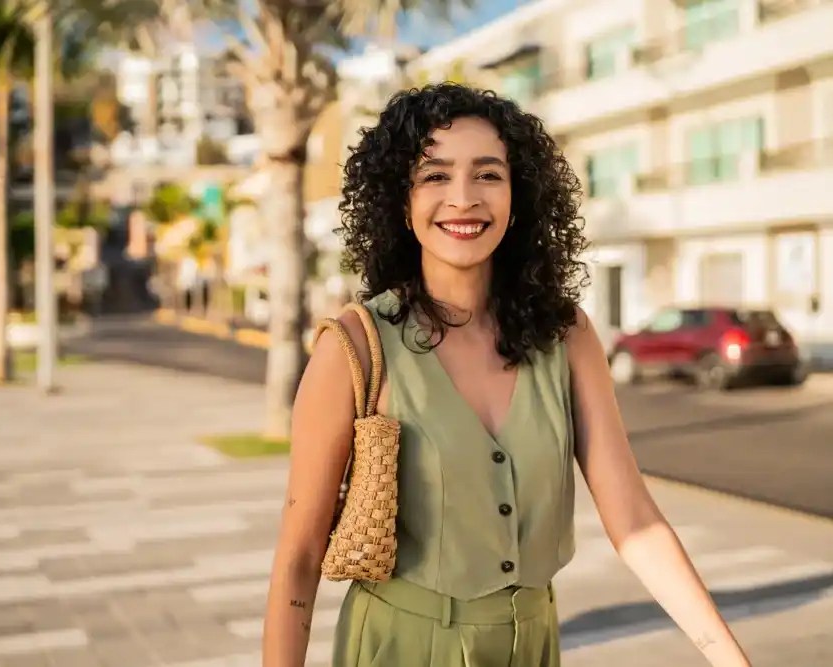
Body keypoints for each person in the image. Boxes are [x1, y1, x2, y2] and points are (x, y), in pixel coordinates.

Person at [261, 83, 751, 667]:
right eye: (435, 175)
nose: (463, 198)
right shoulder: (357, 347)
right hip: (399, 647)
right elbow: (299, 558)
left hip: (534, 645)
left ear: (518, 197)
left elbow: (635, 522)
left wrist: (729, 658)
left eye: (488, 174)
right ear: (400, 200)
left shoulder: (566, 335)